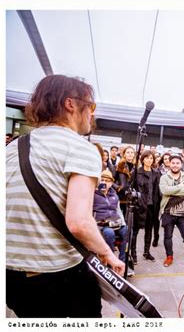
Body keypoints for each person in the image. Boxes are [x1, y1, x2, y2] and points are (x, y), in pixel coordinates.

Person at [6, 74, 124, 318]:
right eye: (91, 106)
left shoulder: (13, 146)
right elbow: (79, 222)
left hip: (10, 277)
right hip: (57, 275)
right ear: (70, 104)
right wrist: (108, 254)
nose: (93, 113)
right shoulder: (80, 148)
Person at [159, 155, 184, 269]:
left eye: (177, 163)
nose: (175, 165)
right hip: (168, 212)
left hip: (183, 214)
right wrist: (180, 187)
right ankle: (169, 257)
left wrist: (172, 191)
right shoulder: (164, 177)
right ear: (169, 164)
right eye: (173, 163)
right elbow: (164, 191)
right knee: (168, 236)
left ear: (181, 164)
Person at [131, 150, 161, 263]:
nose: (149, 160)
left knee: (149, 230)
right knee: (135, 231)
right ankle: (133, 254)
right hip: (139, 206)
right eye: (147, 158)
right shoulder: (136, 172)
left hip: (152, 206)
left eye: (151, 158)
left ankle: (146, 252)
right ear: (142, 159)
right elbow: (131, 188)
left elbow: (157, 191)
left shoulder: (156, 173)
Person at [93, 170, 128, 265]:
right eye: (102, 180)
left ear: (111, 183)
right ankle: (111, 260)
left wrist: (122, 223)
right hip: (100, 223)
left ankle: (122, 260)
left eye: (107, 181)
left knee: (125, 230)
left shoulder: (114, 195)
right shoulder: (93, 194)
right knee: (109, 233)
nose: (104, 182)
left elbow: (118, 211)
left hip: (113, 221)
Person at [115, 145, 135, 216]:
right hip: (120, 195)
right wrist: (118, 187)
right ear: (124, 154)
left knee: (128, 219)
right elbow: (112, 180)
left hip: (130, 196)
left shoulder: (136, 167)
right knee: (119, 217)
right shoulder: (119, 165)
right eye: (128, 152)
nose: (130, 154)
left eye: (132, 152)